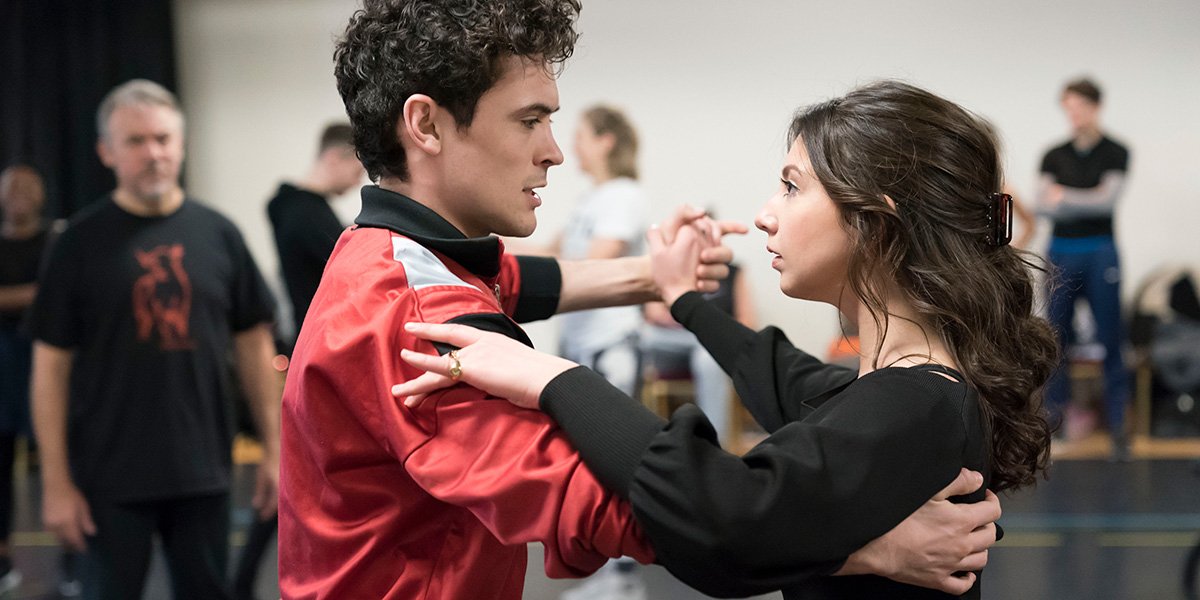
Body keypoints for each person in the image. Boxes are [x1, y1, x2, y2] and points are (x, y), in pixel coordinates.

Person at [280, 3, 1002, 599]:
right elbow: (660, 514)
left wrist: (665, 283)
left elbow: (524, 282)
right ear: (427, 125)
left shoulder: (405, 258)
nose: (555, 150)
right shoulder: (419, 321)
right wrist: (861, 544)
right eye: (529, 120)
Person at [394, 80, 1059, 599]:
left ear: (875, 228)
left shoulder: (913, 406)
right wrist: (684, 298)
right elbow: (781, 376)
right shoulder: (903, 391)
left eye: (792, 187)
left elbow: (728, 515)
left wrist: (550, 378)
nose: (766, 215)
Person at [28, 79, 280, 600]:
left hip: (206, 472)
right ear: (106, 151)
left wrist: (277, 451)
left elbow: (255, 349)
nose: (154, 153)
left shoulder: (220, 235)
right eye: (137, 141)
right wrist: (55, 482)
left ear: (181, 145)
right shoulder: (76, 244)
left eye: (164, 139)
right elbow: (50, 368)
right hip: (108, 478)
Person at [1034, 77, 1132, 460]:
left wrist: (1064, 197)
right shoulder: (1053, 154)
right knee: (1056, 338)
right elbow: (1042, 205)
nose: (1072, 114)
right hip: (1061, 251)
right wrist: (1079, 199)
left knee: (1111, 336)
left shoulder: (1116, 152)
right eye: (1067, 107)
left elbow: (1106, 204)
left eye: (1078, 106)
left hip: (1100, 252)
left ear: (1095, 106)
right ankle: (1057, 420)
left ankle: (1119, 425)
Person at [0, 164, 53, 594]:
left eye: (27, 186)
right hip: (4, 371)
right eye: (11, 187)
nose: (19, 194)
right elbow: (48, 294)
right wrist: (35, 294)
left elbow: (62, 297)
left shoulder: (58, 240)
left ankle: (76, 559)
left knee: (66, 459)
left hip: (47, 368)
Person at [266, 122, 364, 345]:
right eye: (357, 171)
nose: (358, 181)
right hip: (320, 337)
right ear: (333, 158)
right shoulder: (304, 212)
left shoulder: (299, 207)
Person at [640, 262, 757, 444]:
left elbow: (747, 322)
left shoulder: (733, 272)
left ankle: (715, 444)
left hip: (711, 347)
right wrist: (705, 327)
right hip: (671, 343)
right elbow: (655, 315)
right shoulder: (667, 266)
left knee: (708, 356)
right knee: (642, 334)